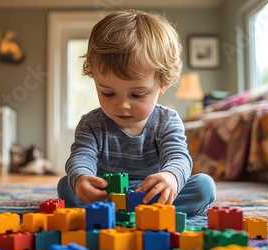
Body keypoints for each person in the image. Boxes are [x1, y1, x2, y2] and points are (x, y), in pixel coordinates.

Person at [57, 9, 216, 217]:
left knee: (204, 187)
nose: (122, 105)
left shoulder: (167, 121)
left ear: (162, 85)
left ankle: (123, 212)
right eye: (108, 93)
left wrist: (170, 177)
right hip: (107, 193)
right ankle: (133, 212)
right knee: (67, 186)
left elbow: (178, 157)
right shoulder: (91, 124)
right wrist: (83, 179)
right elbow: (81, 156)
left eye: (137, 95)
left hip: (151, 192)